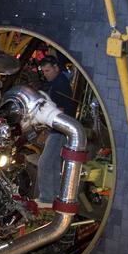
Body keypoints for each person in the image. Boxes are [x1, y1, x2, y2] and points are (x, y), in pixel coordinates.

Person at [35, 53, 76, 206]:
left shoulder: (60, 85)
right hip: (59, 131)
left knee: (45, 163)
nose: (46, 75)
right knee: (53, 164)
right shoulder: (59, 82)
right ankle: (55, 197)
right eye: (44, 72)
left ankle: (46, 199)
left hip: (59, 131)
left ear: (56, 68)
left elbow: (62, 110)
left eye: (48, 71)